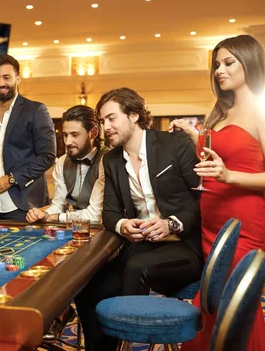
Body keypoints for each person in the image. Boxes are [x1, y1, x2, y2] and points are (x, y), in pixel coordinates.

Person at [171, 35, 265, 351]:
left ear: (248, 63)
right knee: (217, 309)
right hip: (213, 227)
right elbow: (220, 158)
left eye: (228, 63)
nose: (219, 70)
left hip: (245, 227)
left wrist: (228, 175)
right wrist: (194, 136)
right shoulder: (222, 113)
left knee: (230, 311)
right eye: (217, 64)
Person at [75, 88, 203, 351]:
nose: (105, 127)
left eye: (112, 118)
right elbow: (109, 213)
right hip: (142, 247)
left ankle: (125, 341)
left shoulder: (174, 144)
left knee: (135, 266)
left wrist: (171, 223)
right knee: (88, 285)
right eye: (102, 121)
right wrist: (124, 225)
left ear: (133, 115)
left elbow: (203, 200)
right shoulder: (111, 160)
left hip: (184, 245)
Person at [0, 54, 56, 221]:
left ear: (18, 78)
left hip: (26, 207)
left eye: (6, 77)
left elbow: (47, 157)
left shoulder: (36, 110)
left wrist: (11, 179)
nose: (1, 83)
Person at [26, 105, 109, 224]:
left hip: (105, 231)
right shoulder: (62, 161)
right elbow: (59, 204)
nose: (67, 142)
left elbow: (94, 216)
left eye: (75, 135)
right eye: (65, 135)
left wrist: (56, 217)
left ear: (93, 133)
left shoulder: (106, 160)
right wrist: (44, 214)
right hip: (75, 228)